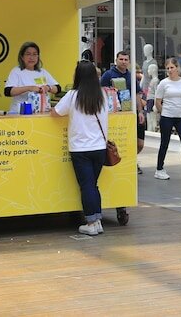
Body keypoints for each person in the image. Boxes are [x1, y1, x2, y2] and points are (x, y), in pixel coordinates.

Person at [51, 61, 110, 236]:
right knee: (93, 184)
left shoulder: (72, 95)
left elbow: (55, 113)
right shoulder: (102, 95)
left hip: (80, 148)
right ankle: (97, 220)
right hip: (100, 147)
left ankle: (91, 222)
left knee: (86, 186)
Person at [4, 42, 60, 114]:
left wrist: (48, 88)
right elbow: (8, 91)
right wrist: (29, 88)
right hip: (20, 113)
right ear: (22, 56)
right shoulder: (16, 71)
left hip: (41, 113)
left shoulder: (42, 72)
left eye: (34, 54)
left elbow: (58, 88)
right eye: (28, 54)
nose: (31, 57)